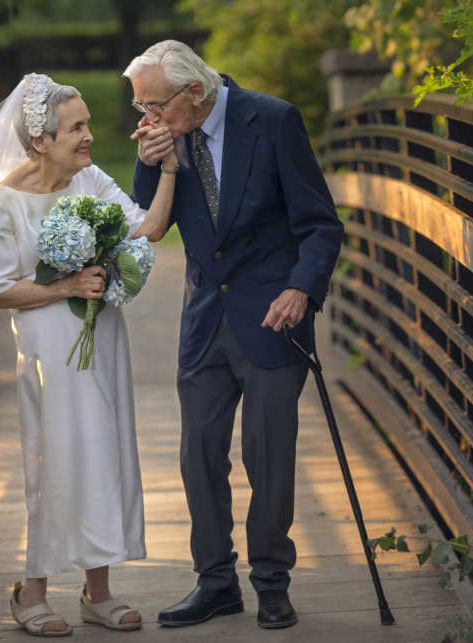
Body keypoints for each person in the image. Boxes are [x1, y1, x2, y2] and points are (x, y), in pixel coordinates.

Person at [123, 41, 343, 630]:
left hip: (275, 317)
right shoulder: (164, 134)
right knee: (198, 457)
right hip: (203, 321)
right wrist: (155, 160)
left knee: (267, 457)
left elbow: (321, 225)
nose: (145, 117)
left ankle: (272, 581)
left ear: (193, 93)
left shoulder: (272, 120)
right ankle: (215, 581)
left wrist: (302, 290)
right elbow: (149, 223)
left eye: (153, 105)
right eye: (138, 106)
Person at [0, 73, 177, 637]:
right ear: (39, 141)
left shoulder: (92, 179)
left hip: (101, 339)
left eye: (87, 124)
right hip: (48, 348)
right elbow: (2, 289)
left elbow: (149, 227)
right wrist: (65, 288)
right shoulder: (2, 202)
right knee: (53, 460)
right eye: (76, 127)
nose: (89, 137)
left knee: (103, 452)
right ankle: (31, 589)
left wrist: (169, 169)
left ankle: (97, 593)